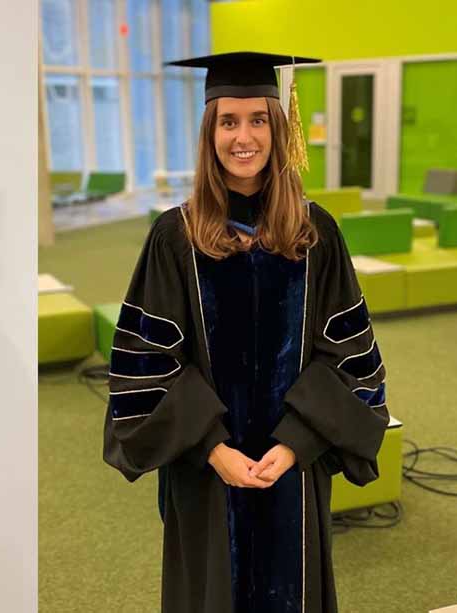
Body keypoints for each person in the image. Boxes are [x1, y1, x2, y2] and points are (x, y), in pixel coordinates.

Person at [103, 52, 389, 613]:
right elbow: (145, 364)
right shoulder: (174, 237)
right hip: (208, 471)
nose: (244, 137)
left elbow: (350, 354)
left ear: (278, 129)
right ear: (210, 132)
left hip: (292, 469)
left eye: (258, 120)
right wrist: (214, 448)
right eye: (228, 121)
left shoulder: (315, 232)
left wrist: (297, 442)